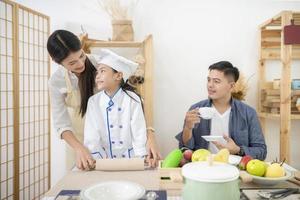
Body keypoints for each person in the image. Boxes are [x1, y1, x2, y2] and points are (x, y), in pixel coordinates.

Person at [47, 30, 161, 170]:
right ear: (57, 62)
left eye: (81, 55)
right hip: (78, 142)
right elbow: (61, 124)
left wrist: (149, 135)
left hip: (112, 141)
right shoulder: (56, 82)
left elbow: (134, 106)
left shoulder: (101, 64)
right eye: (72, 62)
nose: (80, 63)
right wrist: (79, 148)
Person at [176, 61, 267, 160]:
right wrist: (187, 129)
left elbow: (261, 151)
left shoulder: (248, 113)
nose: (210, 85)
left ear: (231, 86)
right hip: (203, 169)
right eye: (209, 80)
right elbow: (184, 149)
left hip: (235, 170)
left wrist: (238, 150)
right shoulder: (196, 110)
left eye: (216, 81)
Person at [84, 49, 147, 159]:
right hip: (104, 160)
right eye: (97, 72)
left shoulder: (132, 99)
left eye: (102, 71)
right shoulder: (93, 102)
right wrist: (97, 159)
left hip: (130, 160)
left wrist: (141, 157)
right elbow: (91, 136)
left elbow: (139, 133)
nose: (97, 76)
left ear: (118, 76)